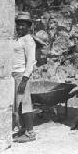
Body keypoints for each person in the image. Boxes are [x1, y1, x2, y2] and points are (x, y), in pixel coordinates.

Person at [12, 12, 48, 143]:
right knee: (18, 105)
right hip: (14, 76)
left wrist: (24, 79)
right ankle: (22, 130)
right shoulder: (18, 39)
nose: (19, 27)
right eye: (18, 25)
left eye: (23, 25)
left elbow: (31, 62)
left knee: (25, 104)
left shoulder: (28, 40)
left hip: (22, 76)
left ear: (28, 26)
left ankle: (30, 133)